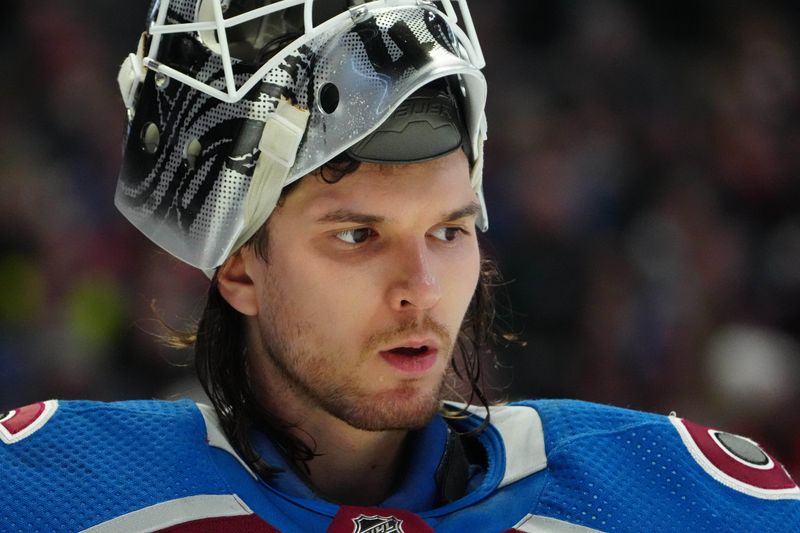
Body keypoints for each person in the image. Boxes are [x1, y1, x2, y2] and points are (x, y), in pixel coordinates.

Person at [1, 1, 799, 532]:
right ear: (240, 267)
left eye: (450, 231)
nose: (420, 287)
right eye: (357, 236)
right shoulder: (44, 489)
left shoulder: (677, 497)